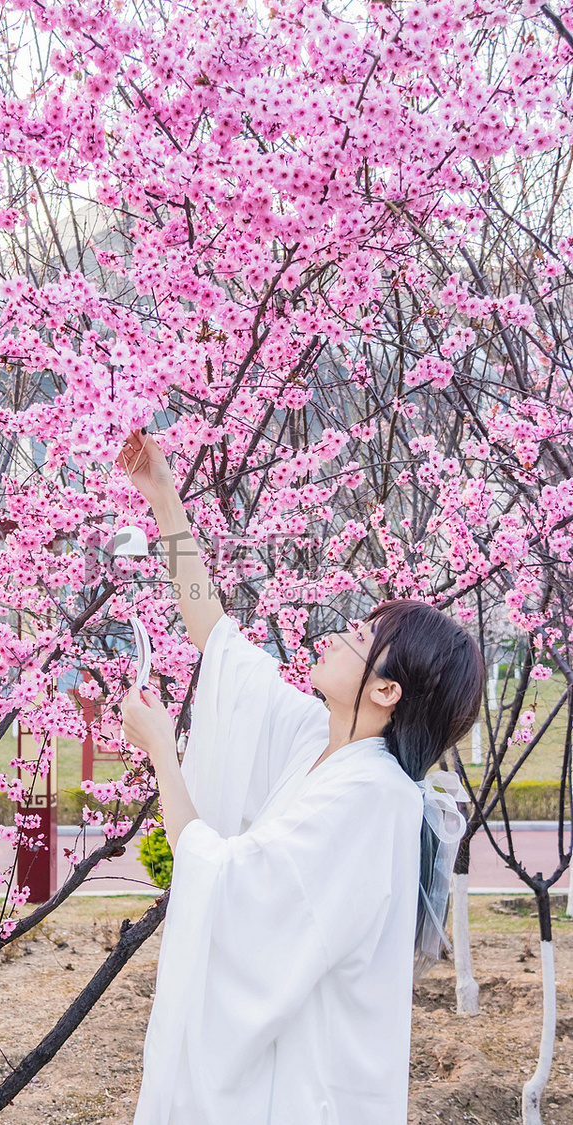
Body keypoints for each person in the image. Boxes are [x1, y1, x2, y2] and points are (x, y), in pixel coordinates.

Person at [117, 428, 485, 1125]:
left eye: (363, 635)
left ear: (386, 692)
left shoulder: (375, 798)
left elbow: (232, 888)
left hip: (307, 1089)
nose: (345, 630)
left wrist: (164, 752)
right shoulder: (320, 740)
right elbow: (217, 639)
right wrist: (164, 499)